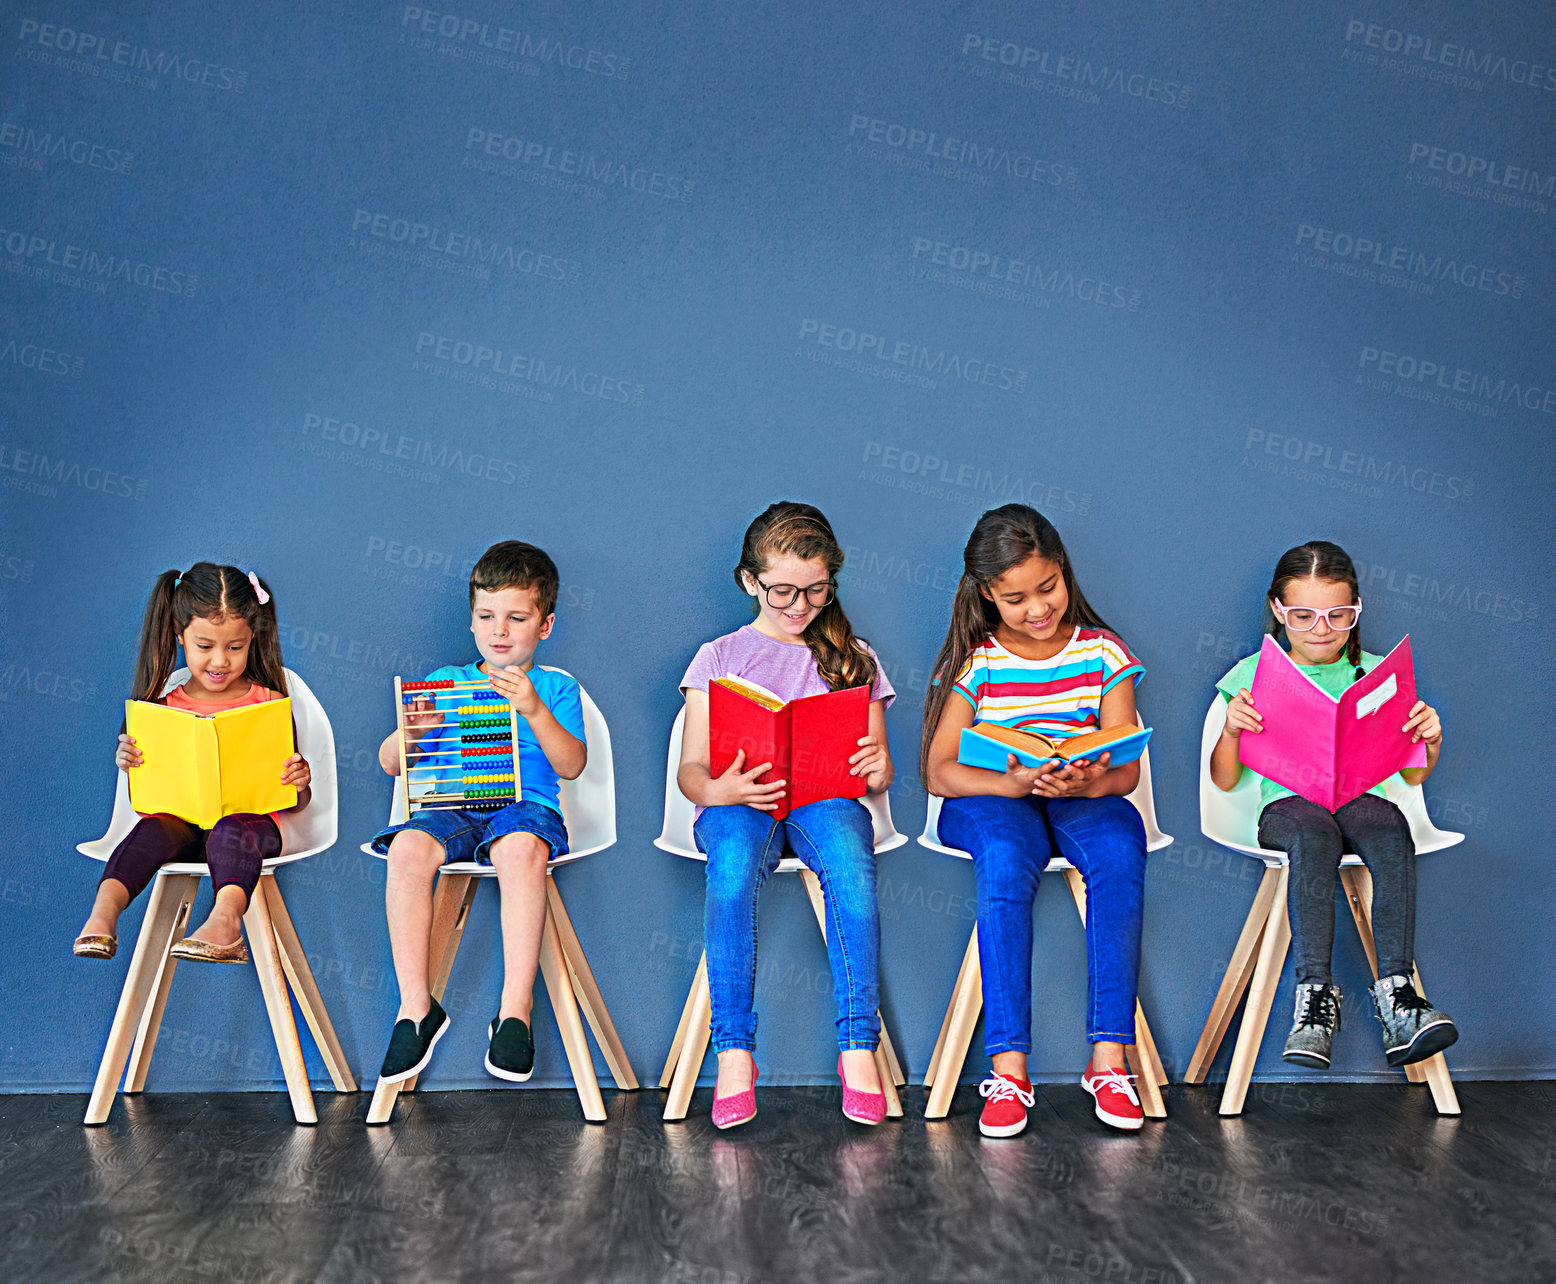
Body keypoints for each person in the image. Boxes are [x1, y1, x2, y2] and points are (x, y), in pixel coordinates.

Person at [922, 505, 1149, 1137]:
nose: (1037, 609)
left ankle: (1109, 1059)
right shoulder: (980, 662)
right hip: (994, 801)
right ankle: (1009, 1067)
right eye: (1015, 598)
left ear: (1064, 574)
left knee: (1120, 849)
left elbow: (1125, 769)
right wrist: (1013, 781)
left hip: (1079, 795)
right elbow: (940, 772)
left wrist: (1085, 778)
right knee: (1004, 854)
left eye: (1047, 589)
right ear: (986, 594)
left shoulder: (1104, 652)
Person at [677, 502, 895, 1128]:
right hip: (739, 801)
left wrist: (877, 770)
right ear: (750, 581)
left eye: (816, 590)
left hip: (826, 798)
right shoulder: (718, 657)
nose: (800, 606)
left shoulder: (853, 656)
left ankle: (859, 1049)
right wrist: (723, 789)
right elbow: (690, 772)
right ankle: (735, 1053)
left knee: (853, 872)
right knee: (733, 872)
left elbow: (876, 768)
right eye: (782, 591)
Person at [1211, 539, 1457, 1070]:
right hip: (1289, 807)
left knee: (1391, 826)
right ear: (1278, 610)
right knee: (1314, 835)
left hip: (1359, 795)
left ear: (1356, 609)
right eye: (1302, 616)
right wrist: (1231, 731)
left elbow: (1412, 774)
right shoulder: (1251, 677)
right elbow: (1224, 781)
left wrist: (1429, 742)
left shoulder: (1378, 675)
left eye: (1337, 615)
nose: (1320, 629)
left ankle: (1398, 997)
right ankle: (1314, 1003)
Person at [371, 541, 586, 1087]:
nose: (500, 630)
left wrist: (533, 707)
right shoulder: (445, 681)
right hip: (453, 808)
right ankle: (415, 1008)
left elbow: (573, 764)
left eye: (517, 618)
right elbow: (391, 762)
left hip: (525, 809)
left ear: (545, 624)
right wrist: (411, 730)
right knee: (407, 848)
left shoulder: (556, 687)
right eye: (487, 617)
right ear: (471, 622)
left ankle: (516, 1009)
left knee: (519, 848)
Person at [74, 563, 311, 965]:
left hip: (249, 828)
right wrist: (128, 763)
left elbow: (295, 801)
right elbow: (144, 798)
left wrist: (300, 782)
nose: (221, 660)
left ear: (252, 638)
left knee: (231, 828)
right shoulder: (160, 710)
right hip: (180, 824)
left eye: (235, 647)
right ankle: (103, 913)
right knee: (151, 830)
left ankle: (225, 920)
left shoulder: (269, 704)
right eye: (205, 646)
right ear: (180, 636)